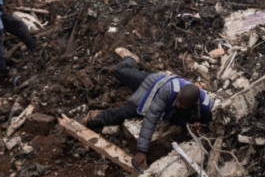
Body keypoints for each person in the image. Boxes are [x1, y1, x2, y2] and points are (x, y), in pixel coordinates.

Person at [84, 54, 212, 169]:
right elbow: (151, 118)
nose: (178, 105)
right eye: (178, 101)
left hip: (160, 102)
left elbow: (205, 126)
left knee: (125, 112)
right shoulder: (169, 91)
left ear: (193, 104)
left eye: (182, 105)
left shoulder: (204, 106)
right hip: (153, 83)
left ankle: (93, 118)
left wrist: (196, 123)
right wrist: (142, 150)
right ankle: (131, 59)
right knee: (118, 71)